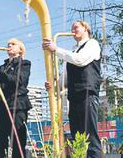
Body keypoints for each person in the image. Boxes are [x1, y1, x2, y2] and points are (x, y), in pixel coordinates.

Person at [43, 21, 102, 157]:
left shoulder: (92, 44)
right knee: (77, 138)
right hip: (74, 98)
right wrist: (54, 86)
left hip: (87, 95)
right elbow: (66, 77)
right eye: (72, 28)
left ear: (86, 28)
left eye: (76, 27)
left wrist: (56, 50)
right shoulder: (73, 51)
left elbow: (80, 60)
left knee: (90, 137)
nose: (73, 30)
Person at [0, 38, 32, 158]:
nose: (9, 45)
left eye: (13, 44)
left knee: (18, 141)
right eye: (8, 44)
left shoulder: (24, 63)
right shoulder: (1, 68)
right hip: (1, 108)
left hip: (17, 106)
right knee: (0, 142)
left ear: (20, 49)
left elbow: (18, 80)